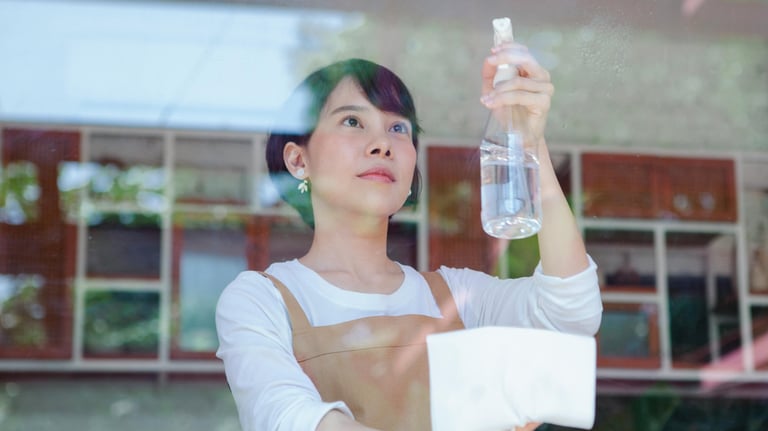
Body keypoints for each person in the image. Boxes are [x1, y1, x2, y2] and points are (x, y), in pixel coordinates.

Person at [215, 40, 603, 431]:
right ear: (298, 160)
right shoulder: (261, 299)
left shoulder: (457, 298)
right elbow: (289, 417)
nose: (383, 144)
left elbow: (569, 315)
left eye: (398, 128)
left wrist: (529, 143)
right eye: (352, 121)